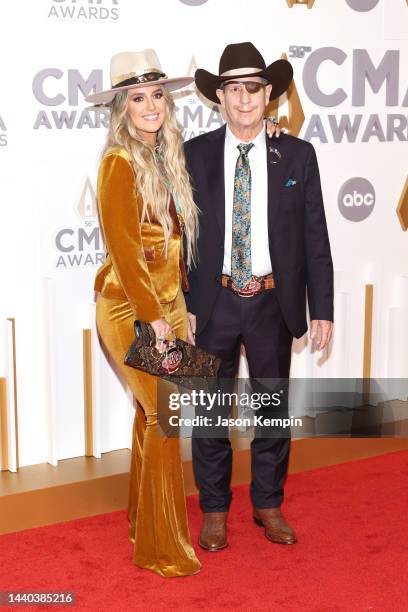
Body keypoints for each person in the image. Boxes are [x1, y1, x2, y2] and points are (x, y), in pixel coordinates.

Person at [184, 42, 334, 551]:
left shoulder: (297, 154)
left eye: (253, 89)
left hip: (274, 303)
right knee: (209, 417)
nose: (244, 99)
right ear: (219, 97)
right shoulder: (194, 154)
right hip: (213, 304)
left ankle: (268, 505)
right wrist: (180, 303)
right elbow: (180, 235)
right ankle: (215, 511)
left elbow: (316, 236)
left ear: (269, 94)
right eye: (233, 89)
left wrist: (324, 309)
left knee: (272, 413)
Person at [85, 49, 201, 577]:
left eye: (157, 95)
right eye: (138, 97)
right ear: (122, 108)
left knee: (154, 414)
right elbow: (127, 253)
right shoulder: (118, 162)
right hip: (128, 307)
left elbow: (172, 246)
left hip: (168, 305)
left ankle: (143, 524)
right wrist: (155, 318)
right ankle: (163, 548)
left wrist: (181, 308)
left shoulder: (164, 156)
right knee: (165, 415)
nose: (151, 105)